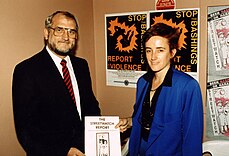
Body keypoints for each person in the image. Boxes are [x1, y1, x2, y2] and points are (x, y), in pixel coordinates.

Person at [12, 11, 100, 156]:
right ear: (46, 33)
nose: (66, 37)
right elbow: (25, 130)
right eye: (59, 30)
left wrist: (105, 128)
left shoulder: (82, 65)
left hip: (85, 148)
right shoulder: (26, 70)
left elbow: (90, 106)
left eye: (71, 31)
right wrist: (64, 151)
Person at [116, 23, 203, 156]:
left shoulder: (188, 86)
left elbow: (192, 140)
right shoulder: (142, 82)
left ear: (172, 52)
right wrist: (128, 122)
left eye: (160, 50)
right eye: (149, 50)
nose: (153, 57)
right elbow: (145, 118)